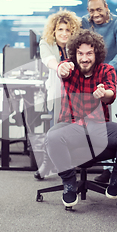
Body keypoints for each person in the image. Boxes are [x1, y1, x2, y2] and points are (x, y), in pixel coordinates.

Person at [44, 29, 117, 207]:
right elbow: (61, 70)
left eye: (89, 53)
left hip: (97, 127)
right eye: (80, 53)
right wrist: (60, 68)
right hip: (70, 126)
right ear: (75, 54)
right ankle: (69, 183)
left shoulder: (107, 70)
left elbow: (110, 94)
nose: (84, 58)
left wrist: (103, 94)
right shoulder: (69, 67)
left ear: (97, 53)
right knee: (51, 137)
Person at [81, 0, 117, 184]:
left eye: (99, 9)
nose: (95, 14)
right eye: (92, 10)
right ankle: (106, 166)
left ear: (106, 7)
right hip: (91, 81)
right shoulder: (85, 23)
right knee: (98, 124)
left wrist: (105, 70)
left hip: (115, 78)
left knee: (116, 125)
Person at [34, 10, 81, 180]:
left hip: (76, 94)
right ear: (54, 31)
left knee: (72, 131)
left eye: (68, 30)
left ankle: (68, 166)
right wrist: (59, 67)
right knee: (54, 131)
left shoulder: (75, 45)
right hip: (56, 94)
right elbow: (48, 60)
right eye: (60, 29)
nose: (64, 33)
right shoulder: (46, 43)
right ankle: (48, 163)